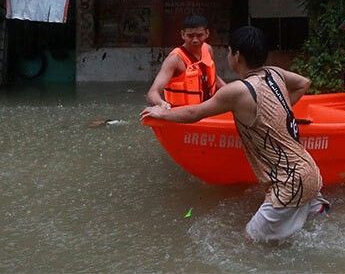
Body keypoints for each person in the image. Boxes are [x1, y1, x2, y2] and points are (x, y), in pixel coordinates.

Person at [141, 26, 329, 241]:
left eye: (229, 52)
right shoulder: (275, 73)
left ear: (237, 55)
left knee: (250, 244)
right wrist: (280, 111)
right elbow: (303, 82)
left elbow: (194, 113)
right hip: (310, 171)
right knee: (311, 233)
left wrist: (161, 113)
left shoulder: (237, 91)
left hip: (289, 182)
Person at [146, 14, 225, 108]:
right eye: (190, 36)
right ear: (183, 34)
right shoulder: (174, 59)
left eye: (199, 35)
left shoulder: (208, 49)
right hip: (184, 115)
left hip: (206, 110)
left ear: (207, 33)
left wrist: (235, 93)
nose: (195, 40)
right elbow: (152, 93)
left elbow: (214, 78)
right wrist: (162, 104)